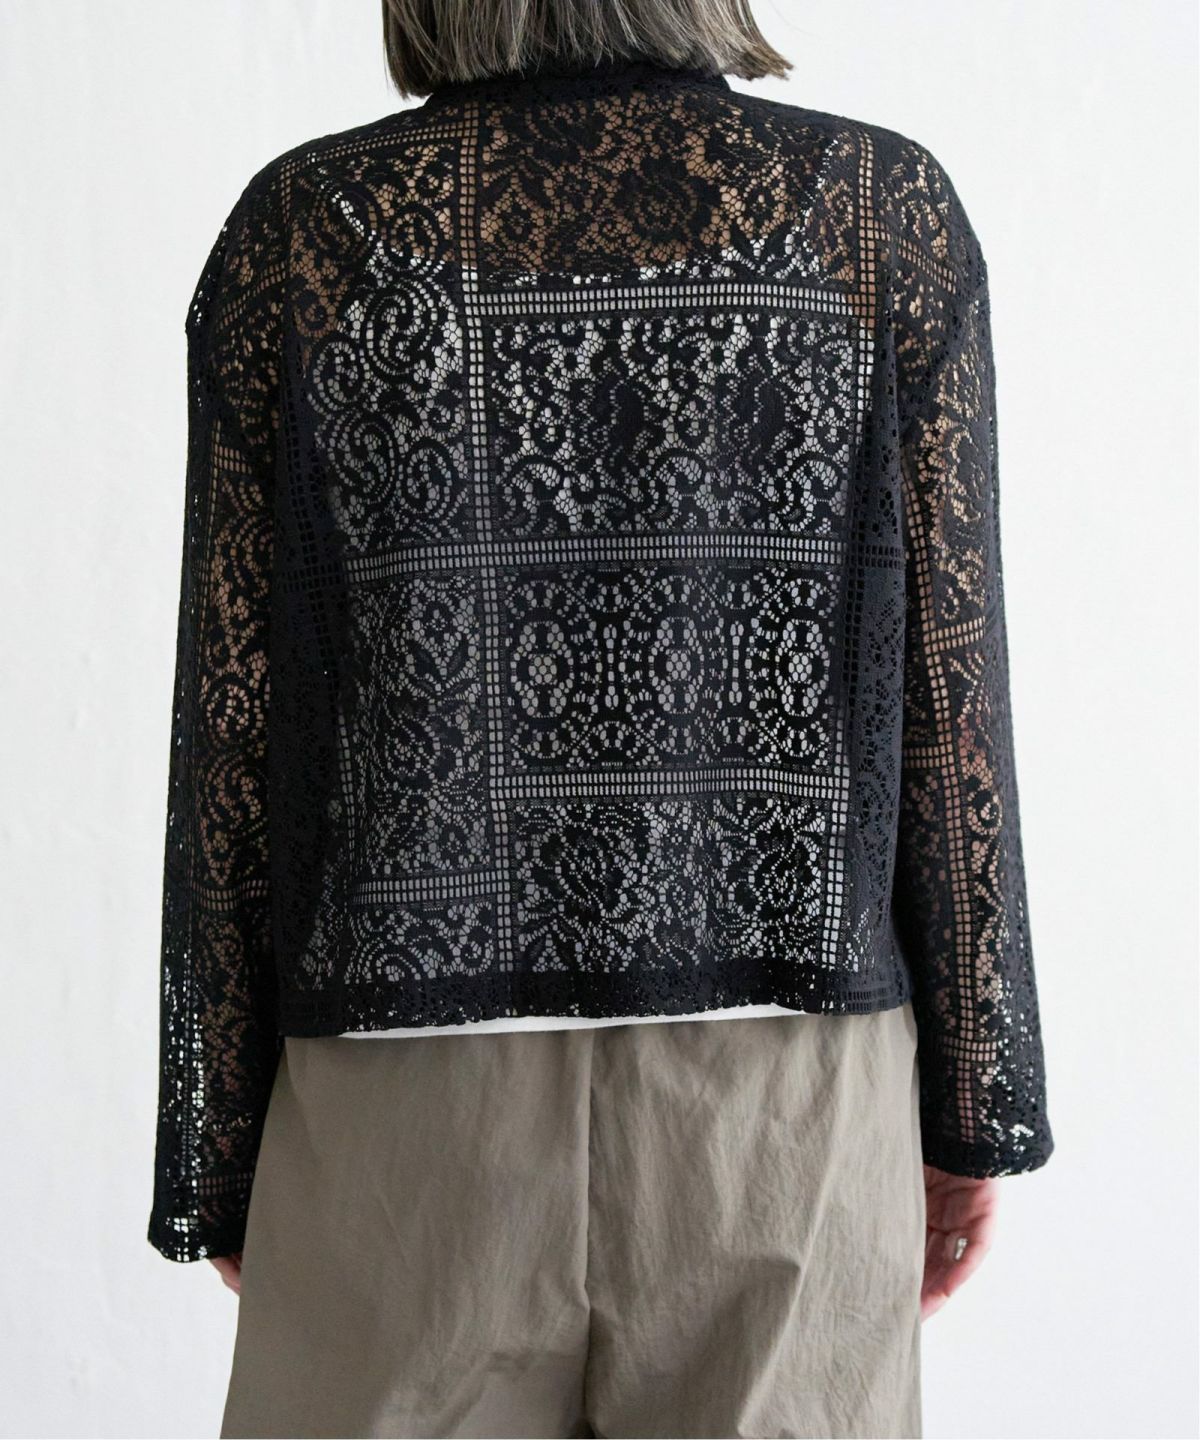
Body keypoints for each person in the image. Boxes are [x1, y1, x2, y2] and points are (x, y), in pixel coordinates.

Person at [148, 1, 1054, 1435]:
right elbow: (949, 690)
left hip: (402, 1097)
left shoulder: (316, 228)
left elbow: (236, 722)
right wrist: (973, 1096)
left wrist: (218, 1143)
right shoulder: (875, 211)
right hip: (785, 1097)